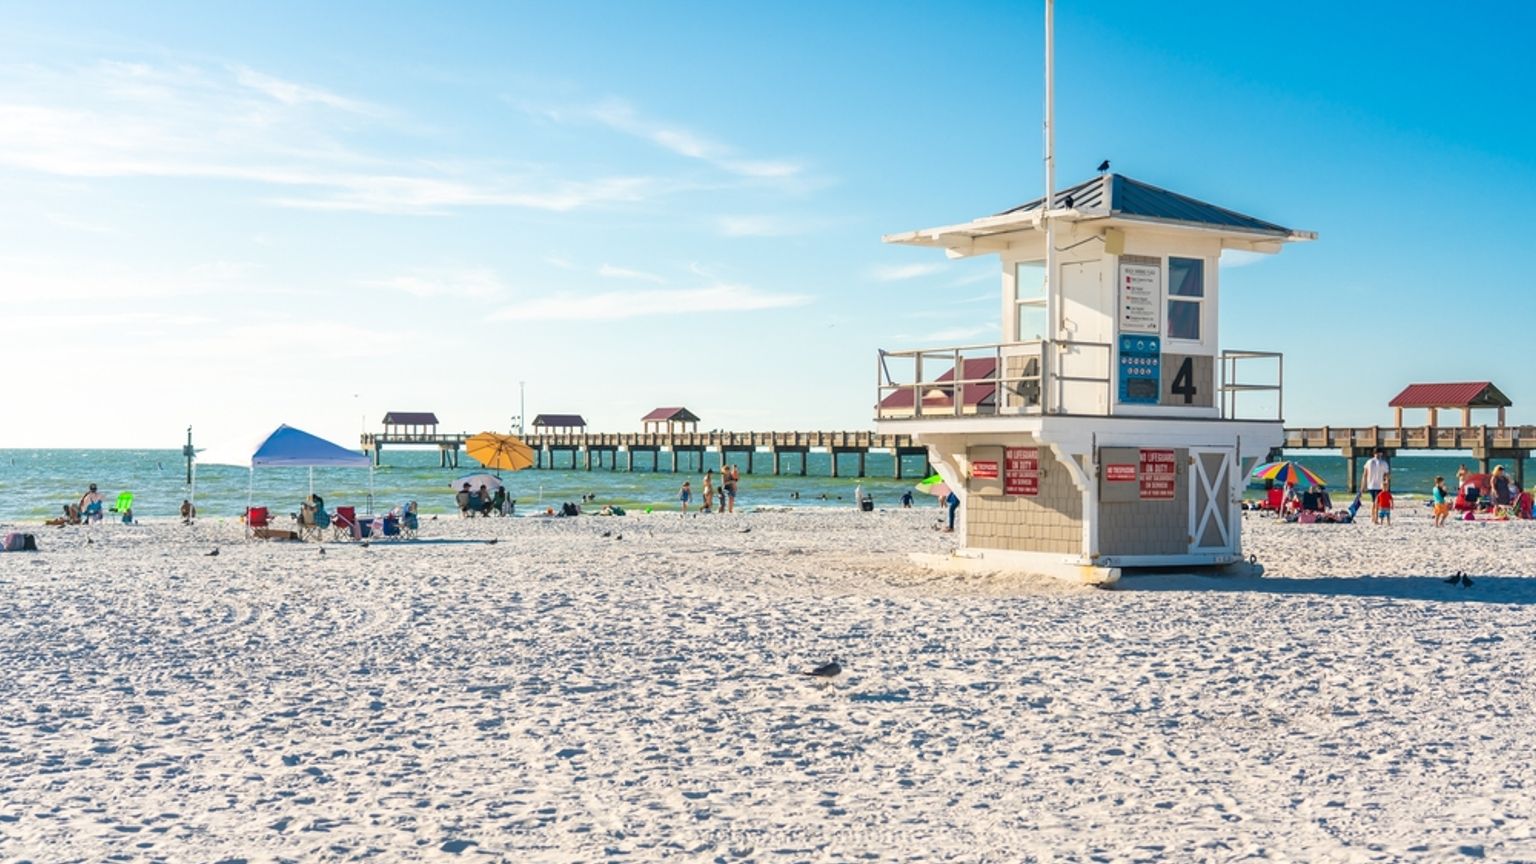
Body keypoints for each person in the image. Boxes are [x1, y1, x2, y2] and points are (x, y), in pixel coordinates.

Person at [1361, 449, 1390, 525]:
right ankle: (1375, 518)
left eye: (1379, 453)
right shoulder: (1370, 462)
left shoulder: (1382, 463)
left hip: (1376, 485)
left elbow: (1386, 475)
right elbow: (1365, 474)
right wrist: (1363, 486)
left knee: (1375, 502)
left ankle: (1373, 517)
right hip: (1374, 485)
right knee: (1376, 502)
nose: (1378, 455)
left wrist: (1386, 485)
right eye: (1378, 453)